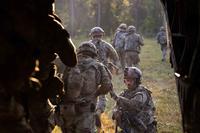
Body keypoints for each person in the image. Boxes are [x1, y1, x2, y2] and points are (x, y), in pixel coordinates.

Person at [60, 41, 113, 133]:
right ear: (93, 53)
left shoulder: (69, 65)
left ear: (79, 52)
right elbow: (107, 85)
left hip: (68, 109)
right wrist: (95, 94)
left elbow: (60, 82)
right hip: (86, 108)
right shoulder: (98, 66)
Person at [110, 67, 157, 133]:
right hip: (130, 128)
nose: (128, 83)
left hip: (145, 128)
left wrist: (116, 97)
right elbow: (115, 108)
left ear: (137, 81)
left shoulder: (142, 93)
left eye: (131, 80)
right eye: (127, 80)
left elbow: (133, 105)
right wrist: (116, 112)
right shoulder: (123, 94)